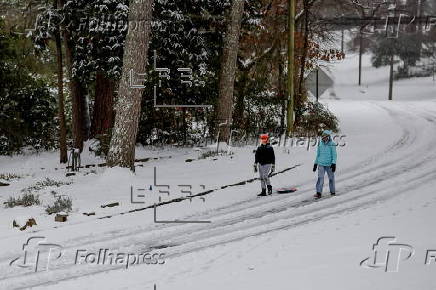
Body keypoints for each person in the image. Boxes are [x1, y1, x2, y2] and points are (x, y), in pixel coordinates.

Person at [313, 130, 337, 199]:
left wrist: (334, 163)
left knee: (331, 178)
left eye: (325, 136)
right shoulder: (320, 144)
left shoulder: (332, 144)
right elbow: (318, 155)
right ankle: (318, 193)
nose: (323, 138)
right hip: (321, 164)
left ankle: (332, 192)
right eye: (323, 136)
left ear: (328, 137)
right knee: (320, 178)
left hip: (329, 164)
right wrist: (315, 163)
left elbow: (334, 155)